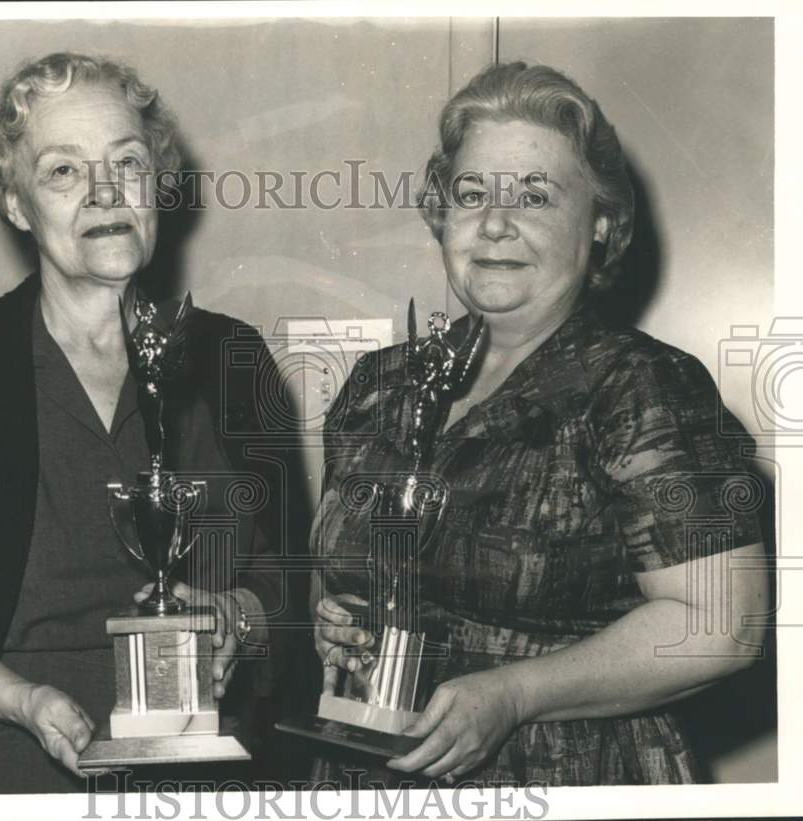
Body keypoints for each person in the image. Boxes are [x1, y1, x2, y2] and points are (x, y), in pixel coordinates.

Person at [0, 52, 291, 794]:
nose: (105, 191)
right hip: (9, 770)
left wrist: (242, 616)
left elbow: (288, 585)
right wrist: (19, 698)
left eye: (126, 162)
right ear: (16, 204)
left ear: (157, 185)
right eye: (63, 172)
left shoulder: (233, 358)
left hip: (208, 776)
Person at [311, 62, 769, 787]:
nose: (495, 223)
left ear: (602, 224)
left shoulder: (645, 387)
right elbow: (352, 574)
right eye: (472, 194)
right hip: (368, 775)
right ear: (442, 213)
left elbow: (723, 626)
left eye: (535, 195)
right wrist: (333, 622)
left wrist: (515, 693)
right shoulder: (380, 384)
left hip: (566, 776)